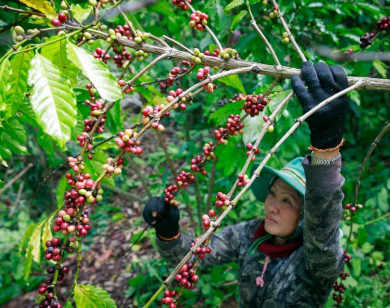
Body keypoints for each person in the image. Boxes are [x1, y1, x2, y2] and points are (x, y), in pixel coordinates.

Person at [143, 61, 348, 307]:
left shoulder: (315, 260)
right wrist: (168, 233)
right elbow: (191, 257)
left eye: (287, 201)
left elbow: (323, 232)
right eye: (273, 194)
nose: (272, 206)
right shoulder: (249, 235)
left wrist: (326, 149)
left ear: (306, 213)